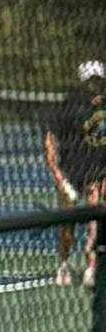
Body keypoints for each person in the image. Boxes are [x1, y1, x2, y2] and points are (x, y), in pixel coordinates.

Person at [47, 63, 106, 286]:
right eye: (91, 81)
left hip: (96, 172)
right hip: (71, 172)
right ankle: (64, 265)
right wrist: (58, 175)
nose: (95, 86)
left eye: (98, 80)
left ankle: (91, 267)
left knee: (95, 221)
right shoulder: (68, 106)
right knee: (66, 225)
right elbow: (51, 138)